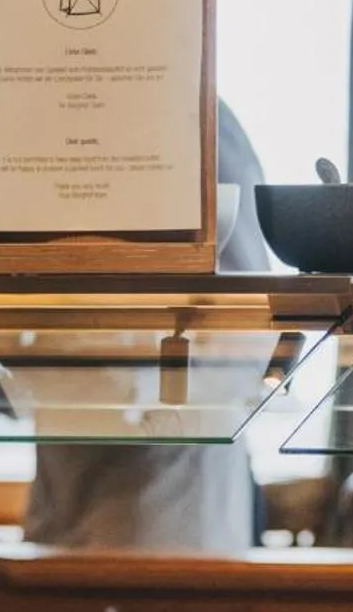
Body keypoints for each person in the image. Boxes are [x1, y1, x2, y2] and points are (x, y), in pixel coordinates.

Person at [20, 101, 269, 551]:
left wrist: (131, 380)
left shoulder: (198, 116)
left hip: (167, 500)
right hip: (60, 485)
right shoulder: (48, 117)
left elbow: (249, 327)